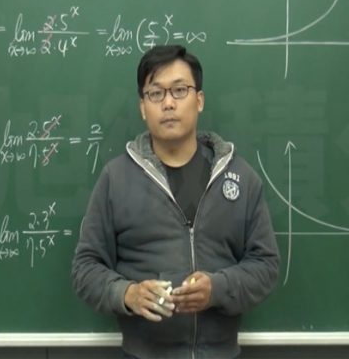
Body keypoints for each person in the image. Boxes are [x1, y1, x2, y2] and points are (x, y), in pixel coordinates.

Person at [71, 45, 280, 359]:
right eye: (156, 93)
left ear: (199, 100)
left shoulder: (240, 177)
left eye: (180, 90)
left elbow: (265, 265)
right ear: (143, 107)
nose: (168, 103)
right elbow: (85, 268)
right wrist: (128, 294)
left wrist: (217, 289)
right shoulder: (116, 179)